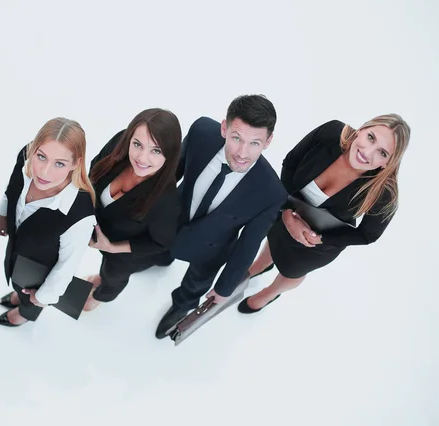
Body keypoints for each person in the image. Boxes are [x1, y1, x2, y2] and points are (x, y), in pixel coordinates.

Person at [239, 114, 411, 313]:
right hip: (285, 210)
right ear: (361, 129)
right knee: (274, 239)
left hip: (317, 244)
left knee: (291, 271)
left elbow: (368, 235)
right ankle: (261, 265)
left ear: (387, 163)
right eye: (371, 137)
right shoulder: (331, 132)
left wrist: (317, 238)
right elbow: (291, 162)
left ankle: (270, 292)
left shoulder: (384, 192)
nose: (368, 152)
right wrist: (286, 212)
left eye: (382, 153)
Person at [154, 94, 287, 339]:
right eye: (237, 138)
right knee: (160, 249)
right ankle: (161, 257)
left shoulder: (271, 192)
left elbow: (249, 244)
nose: (242, 153)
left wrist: (225, 288)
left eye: (255, 143)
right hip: (175, 218)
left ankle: (182, 305)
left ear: (268, 141)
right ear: (224, 128)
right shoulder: (202, 132)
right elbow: (173, 172)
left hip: (212, 248)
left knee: (195, 284)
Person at [0, 118, 96, 326]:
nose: (44, 171)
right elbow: (12, 185)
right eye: (41, 156)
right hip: (18, 249)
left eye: (60, 163)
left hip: (41, 268)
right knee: (17, 281)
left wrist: (44, 297)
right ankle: (17, 295)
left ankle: (23, 315)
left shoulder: (80, 213)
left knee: (30, 296)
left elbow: (66, 266)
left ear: (76, 162)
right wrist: (2, 213)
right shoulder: (25, 156)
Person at [82, 108, 182, 311]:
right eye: (138, 144)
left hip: (122, 251)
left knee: (112, 278)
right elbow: (94, 170)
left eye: (156, 150)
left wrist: (111, 247)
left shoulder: (166, 200)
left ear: (169, 155)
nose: (142, 158)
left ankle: (101, 295)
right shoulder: (120, 144)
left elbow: (160, 242)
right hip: (97, 228)